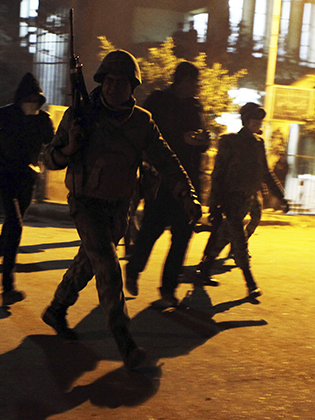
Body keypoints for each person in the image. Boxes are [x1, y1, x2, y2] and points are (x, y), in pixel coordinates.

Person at [41, 50, 201, 369]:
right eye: (109, 81)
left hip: (120, 205)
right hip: (86, 201)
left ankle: (57, 308)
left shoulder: (142, 121)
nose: (114, 87)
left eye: (122, 82)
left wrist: (188, 195)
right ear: (101, 81)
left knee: (90, 261)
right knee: (109, 267)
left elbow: (166, 160)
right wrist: (70, 147)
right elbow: (48, 159)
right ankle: (124, 341)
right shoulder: (80, 114)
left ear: (133, 85)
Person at [125, 61, 210, 308]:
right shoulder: (158, 101)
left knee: (183, 236)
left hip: (188, 180)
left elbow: (202, 137)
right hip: (161, 179)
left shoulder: (195, 106)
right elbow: (147, 134)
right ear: (181, 81)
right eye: (193, 82)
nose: (197, 87)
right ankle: (133, 269)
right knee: (152, 229)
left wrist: (202, 140)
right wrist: (180, 139)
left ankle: (168, 289)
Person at [0, 72, 55, 306]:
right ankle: (8, 287)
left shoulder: (43, 119)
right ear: (20, 97)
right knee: (16, 226)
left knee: (11, 226)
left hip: (29, 177)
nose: (31, 102)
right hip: (6, 175)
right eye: (27, 97)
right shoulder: (3, 115)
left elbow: (53, 144)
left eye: (35, 98)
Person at [196, 102, 289, 298]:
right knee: (239, 240)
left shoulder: (258, 143)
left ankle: (204, 270)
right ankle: (250, 283)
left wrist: (281, 196)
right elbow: (218, 174)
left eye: (259, 119)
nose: (257, 122)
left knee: (224, 236)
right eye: (254, 119)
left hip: (249, 198)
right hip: (231, 199)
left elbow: (265, 172)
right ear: (245, 121)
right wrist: (214, 204)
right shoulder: (229, 141)